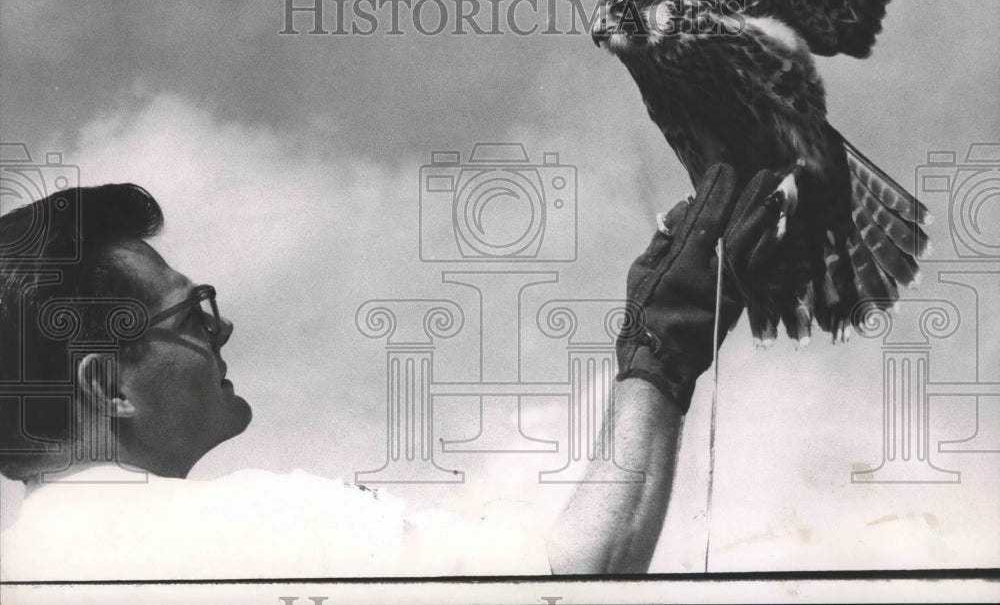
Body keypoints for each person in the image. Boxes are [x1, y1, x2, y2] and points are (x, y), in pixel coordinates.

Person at [0, 164, 782, 579]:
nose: (222, 326)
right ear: (109, 386)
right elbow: (569, 577)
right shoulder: (255, 527)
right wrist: (661, 347)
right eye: (194, 312)